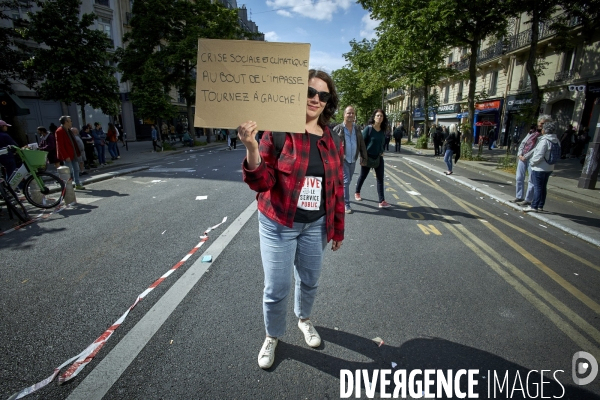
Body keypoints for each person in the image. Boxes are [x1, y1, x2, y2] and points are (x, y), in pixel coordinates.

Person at [238, 69, 344, 370]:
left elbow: (336, 188)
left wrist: (337, 230)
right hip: (278, 224)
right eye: (310, 92)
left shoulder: (332, 139)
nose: (315, 98)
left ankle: (304, 319)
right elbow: (261, 182)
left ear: (328, 101)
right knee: (276, 287)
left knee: (309, 279)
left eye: (323, 95)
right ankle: (272, 335)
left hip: (316, 226)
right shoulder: (279, 131)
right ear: (298, 94)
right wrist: (252, 148)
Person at [332, 105, 367, 214]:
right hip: (342, 160)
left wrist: (363, 156)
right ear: (344, 115)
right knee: (346, 181)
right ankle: (346, 204)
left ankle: (338, 195)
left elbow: (361, 143)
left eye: (352, 113)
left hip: (353, 159)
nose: (351, 115)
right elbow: (331, 145)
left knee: (348, 181)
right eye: (348, 113)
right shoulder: (338, 129)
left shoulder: (357, 128)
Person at [354, 109, 391, 208]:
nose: (379, 117)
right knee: (363, 176)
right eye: (378, 115)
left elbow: (382, 143)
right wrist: (362, 156)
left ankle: (381, 201)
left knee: (380, 179)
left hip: (378, 158)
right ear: (374, 117)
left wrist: (382, 150)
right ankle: (357, 192)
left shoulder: (383, 130)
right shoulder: (368, 129)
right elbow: (362, 143)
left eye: (381, 116)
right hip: (367, 157)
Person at [512, 116, 552, 206]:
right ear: (538, 123)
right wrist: (519, 154)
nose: (542, 125)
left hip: (532, 159)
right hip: (522, 157)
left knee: (531, 180)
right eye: (541, 123)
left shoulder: (545, 135)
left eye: (545, 123)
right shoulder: (532, 131)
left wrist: (525, 156)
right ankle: (519, 196)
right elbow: (523, 143)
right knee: (519, 177)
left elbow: (536, 148)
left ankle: (528, 199)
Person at [523, 121, 559, 212]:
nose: (542, 130)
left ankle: (534, 206)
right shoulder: (556, 140)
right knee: (543, 187)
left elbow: (539, 155)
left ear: (546, 130)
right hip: (549, 167)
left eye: (543, 129)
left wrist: (532, 162)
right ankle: (540, 205)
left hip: (540, 167)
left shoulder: (544, 140)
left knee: (538, 187)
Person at [55, 116, 85, 190]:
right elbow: (60, 145)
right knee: (69, 171)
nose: (71, 122)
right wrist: (65, 156)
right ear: (66, 122)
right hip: (67, 155)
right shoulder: (59, 131)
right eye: (70, 121)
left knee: (76, 169)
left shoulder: (69, 130)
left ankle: (77, 184)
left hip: (73, 153)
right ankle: (68, 185)